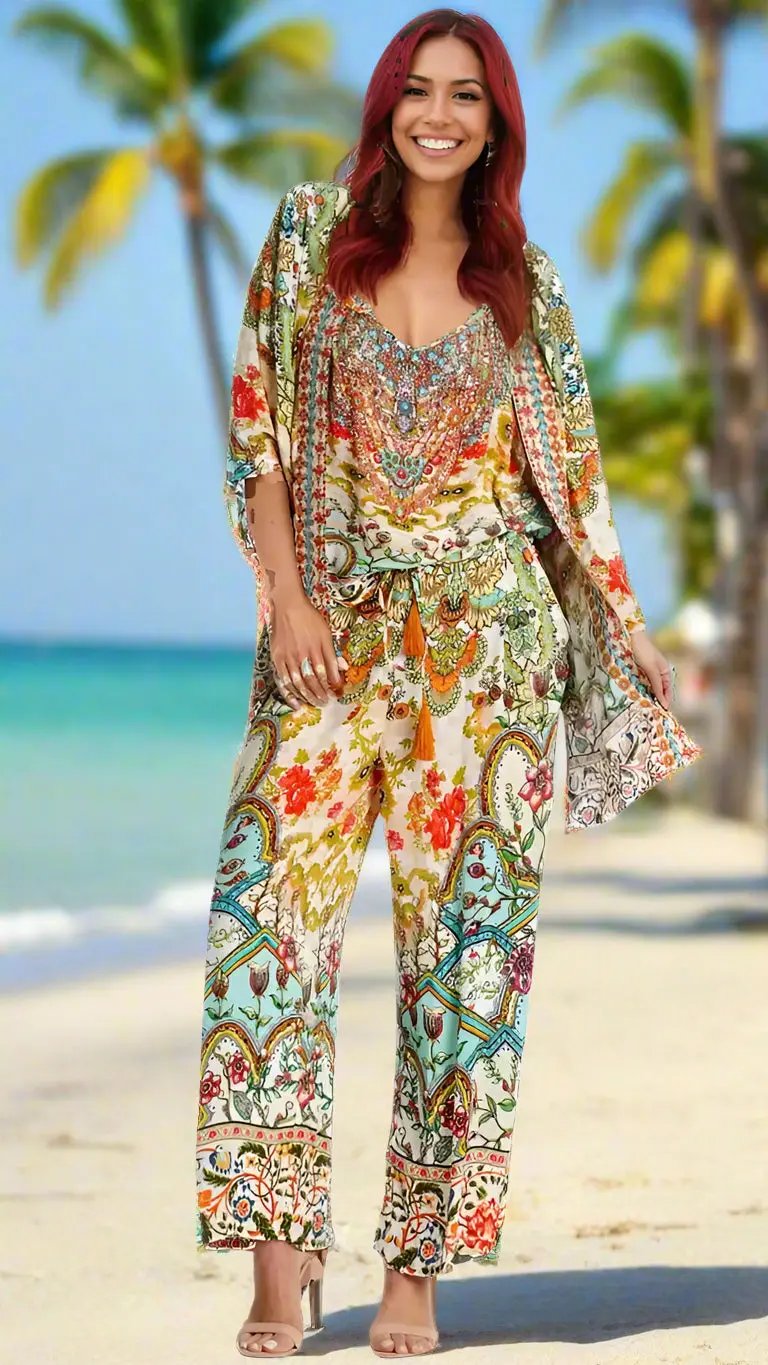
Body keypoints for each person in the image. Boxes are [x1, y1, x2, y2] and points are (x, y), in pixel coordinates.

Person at [195, 8, 703, 1358]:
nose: (438, 114)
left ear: (495, 124)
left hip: (485, 659)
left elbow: (571, 483)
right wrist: (287, 597)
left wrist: (624, 621)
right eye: (416, 91)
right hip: (326, 645)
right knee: (267, 936)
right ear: (385, 108)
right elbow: (259, 435)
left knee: (466, 966)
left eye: (464, 97)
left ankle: (416, 1271)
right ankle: (280, 1255)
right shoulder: (308, 235)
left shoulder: (522, 279)